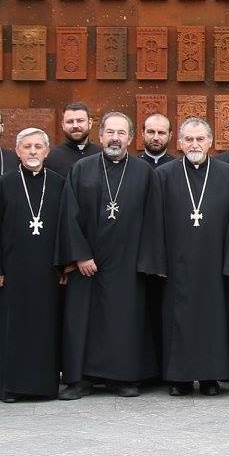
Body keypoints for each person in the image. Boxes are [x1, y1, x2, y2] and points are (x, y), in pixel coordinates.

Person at [140, 117, 229, 396]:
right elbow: (154, 221)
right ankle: (180, 378)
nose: (194, 144)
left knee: (214, 320)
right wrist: (158, 263)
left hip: (214, 264)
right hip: (177, 265)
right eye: (189, 139)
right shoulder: (163, 175)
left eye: (200, 139)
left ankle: (211, 377)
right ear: (179, 142)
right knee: (178, 320)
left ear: (211, 142)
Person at [60, 111, 155, 399]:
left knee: (124, 320)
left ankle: (123, 377)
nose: (115, 138)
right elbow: (69, 215)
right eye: (110, 132)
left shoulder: (144, 172)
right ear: (100, 136)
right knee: (82, 322)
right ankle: (80, 379)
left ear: (130, 138)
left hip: (127, 263)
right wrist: (80, 256)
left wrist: (146, 262)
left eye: (121, 132)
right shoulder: (81, 169)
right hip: (88, 262)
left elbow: (153, 219)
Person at [0, 128, 67, 402]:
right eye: (27, 146)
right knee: (12, 329)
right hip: (13, 272)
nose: (32, 151)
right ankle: (11, 388)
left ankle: (44, 387)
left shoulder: (59, 183)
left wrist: (65, 265)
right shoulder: (4, 184)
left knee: (45, 328)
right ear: (17, 151)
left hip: (47, 273)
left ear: (46, 151)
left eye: (38, 146)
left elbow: (67, 228)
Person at [46, 103, 101, 176]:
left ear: (90, 123)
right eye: (70, 121)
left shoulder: (102, 155)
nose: (75, 126)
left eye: (80, 121)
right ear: (63, 125)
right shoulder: (52, 156)